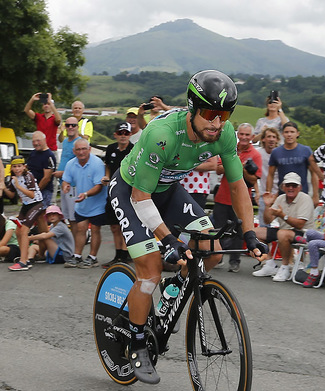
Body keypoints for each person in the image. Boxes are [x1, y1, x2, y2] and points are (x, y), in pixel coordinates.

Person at [108, 70, 268, 384]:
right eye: (210, 113)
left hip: (168, 192)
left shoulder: (224, 134)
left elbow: (237, 187)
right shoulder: (162, 133)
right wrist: (167, 239)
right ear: (193, 108)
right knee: (151, 268)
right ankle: (137, 342)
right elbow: (141, 197)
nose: (217, 123)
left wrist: (249, 232)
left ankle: (171, 293)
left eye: (224, 115)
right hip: (132, 192)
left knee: (213, 252)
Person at [213, 122, 262, 273]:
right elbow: (218, 169)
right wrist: (238, 164)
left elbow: (254, 179)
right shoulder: (229, 148)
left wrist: (237, 166)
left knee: (239, 233)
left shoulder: (255, 154)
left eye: (247, 135)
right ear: (237, 135)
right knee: (217, 230)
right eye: (241, 134)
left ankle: (235, 261)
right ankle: (217, 258)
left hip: (241, 199)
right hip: (222, 196)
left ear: (253, 137)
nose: (244, 137)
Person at [253, 172, 314, 281]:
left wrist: (282, 216)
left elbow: (300, 224)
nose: (291, 188)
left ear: (299, 187)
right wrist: (268, 206)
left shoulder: (305, 199)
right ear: (283, 187)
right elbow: (268, 220)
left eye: (294, 186)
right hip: (284, 231)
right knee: (253, 233)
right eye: (288, 185)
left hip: (304, 233)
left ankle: (285, 266)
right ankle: (269, 264)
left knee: (282, 233)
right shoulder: (281, 198)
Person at [62, 139, 107, 268]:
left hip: (97, 202)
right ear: (74, 151)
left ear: (89, 149)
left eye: (83, 149)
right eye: (78, 149)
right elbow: (66, 180)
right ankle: (77, 256)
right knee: (80, 228)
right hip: (81, 203)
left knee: (95, 229)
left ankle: (92, 257)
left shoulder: (97, 163)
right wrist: (66, 186)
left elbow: (99, 187)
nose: (81, 152)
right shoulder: (71, 164)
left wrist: (86, 194)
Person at [101, 122, 134, 268]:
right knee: (114, 226)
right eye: (120, 133)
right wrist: (106, 176)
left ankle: (125, 256)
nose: (123, 136)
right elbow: (107, 165)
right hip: (112, 191)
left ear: (130, 135)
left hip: (127, 192)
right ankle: (117, 255)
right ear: (115, 134)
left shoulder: (134, 150)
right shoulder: (111, 148)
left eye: (126, 133)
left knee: (124, 225)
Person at [266, 121, 322, 206]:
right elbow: (270, 175)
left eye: (292, 132)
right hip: (283, 195)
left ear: (297, 134)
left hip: (302, 195)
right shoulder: (276, 152)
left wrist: (315, 195)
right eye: (286, 132)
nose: (289, 135)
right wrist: (269, 193)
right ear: (282, 134)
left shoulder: (306, 151)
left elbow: (313, 173)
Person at [4, 156, 44, 271]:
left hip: (36, 203)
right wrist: (4, 188)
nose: (17, 169)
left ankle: (23, 262)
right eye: (15, 166)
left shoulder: (28, 176)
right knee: (18, 231)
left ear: (24, 166)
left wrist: (17, 186)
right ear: (11, 167)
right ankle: (24, 257)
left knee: (24, 231)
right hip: (26, 205)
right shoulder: (13, 178)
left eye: (19, 166)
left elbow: (31, 195)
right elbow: (12, 196)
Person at [53, 117, 81, 237]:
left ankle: (76, 248)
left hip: (73, 186)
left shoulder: (79, 143)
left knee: (74, 219)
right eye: (68, 125)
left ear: (77, 127)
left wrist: (62, 173)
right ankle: (72, 246)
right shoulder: (65, 141)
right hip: (63, 184)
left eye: (73, 125)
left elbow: (80, 165)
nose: (70, 127)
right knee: (68, 217)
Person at [256, 126, 280, 226]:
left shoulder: (281, 153)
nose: (271, 139)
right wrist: (257, 191)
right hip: (264, 194)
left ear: (277, 140)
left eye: (274, 137)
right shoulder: (258, 153)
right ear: (263, 139)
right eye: (269, 136)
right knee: (264, 225)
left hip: (280, 193)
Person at [27, 131, 57, 208]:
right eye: (33, 141)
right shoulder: (33, 153)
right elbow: (28, 168)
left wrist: (36, 192)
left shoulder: (49, 156)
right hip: (31, 190)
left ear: (44, 140)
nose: (36, 143)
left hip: (44, 191)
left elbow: (46, 178)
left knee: (41, 215)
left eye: (38, 140)